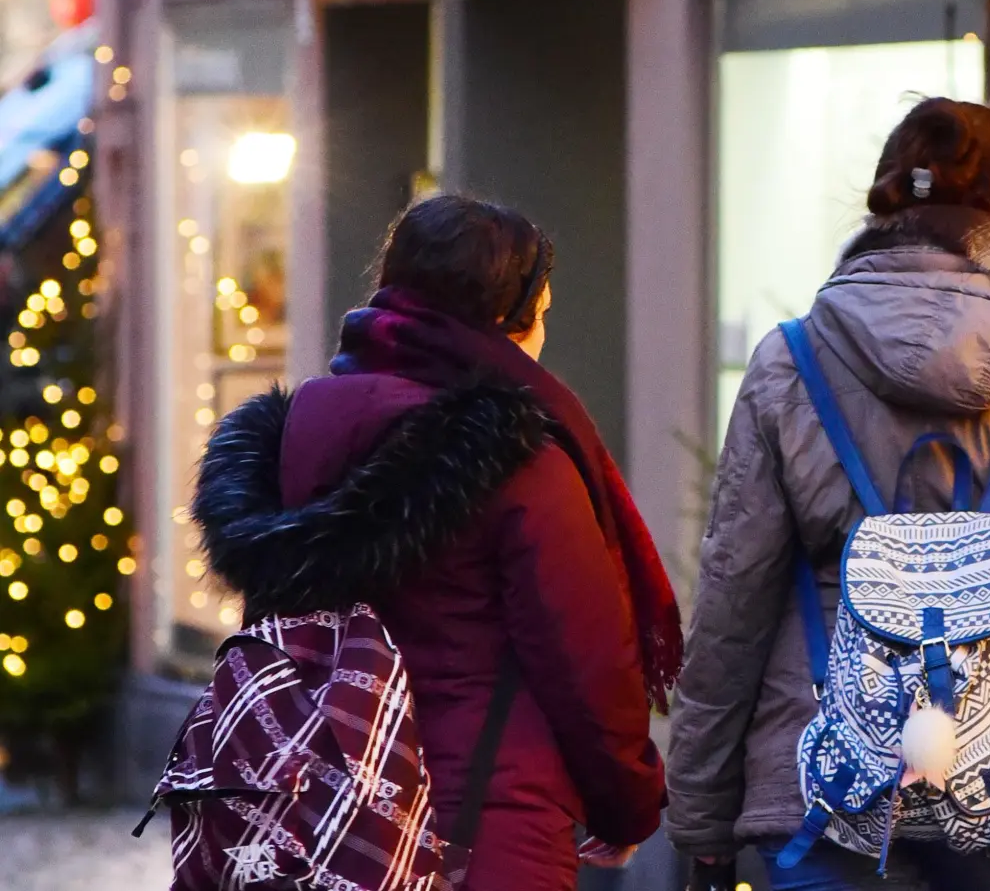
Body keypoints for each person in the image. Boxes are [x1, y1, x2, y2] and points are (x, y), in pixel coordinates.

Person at [666, 98, 990, 890]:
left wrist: (703, 813)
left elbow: (734, 600)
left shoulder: (791, 361)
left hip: (824, 772)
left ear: (884, 203)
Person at [189, 194, 682, 891]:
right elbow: (586, 662)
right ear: (508, 321)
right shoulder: (520, 459)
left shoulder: (291, 435)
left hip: (315, 827)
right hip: (481, 830)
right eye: (542, 312)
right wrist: (629, 805)